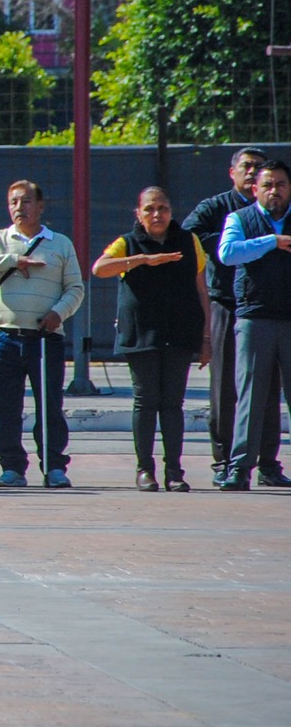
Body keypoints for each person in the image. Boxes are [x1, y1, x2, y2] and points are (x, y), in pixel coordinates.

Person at [0, 180, 85, 489]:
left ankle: (54, 467)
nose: (20, 207)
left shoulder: (59, 243)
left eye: (27, 201)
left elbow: (75, 288)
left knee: (50, 406)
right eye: (13, 202)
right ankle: (12, 468)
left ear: (41, 206)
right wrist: (13, 260)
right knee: (5, 407)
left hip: (45, 339)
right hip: (3, 338)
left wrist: (58, 312)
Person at [94, 187, 207, 492]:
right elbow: (99, 268)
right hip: (141, 335)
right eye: (150, 209)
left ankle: (175, 471)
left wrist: (206, 336)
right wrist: (141, 259)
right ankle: (145, 469)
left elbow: (201, 289)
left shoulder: (189, 241)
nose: (157, 215)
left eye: (163, 208)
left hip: (179, 335)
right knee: (145, 403)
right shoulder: (127, 243)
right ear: (139, 213)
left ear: (171, 211)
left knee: (173, 404)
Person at [184, 147, 274, 486]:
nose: (253, 173)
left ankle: (268, 463)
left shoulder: (273, 209)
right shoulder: (217, 207)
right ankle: (224, 462)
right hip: (226, 302)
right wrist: (226, 247)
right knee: (225, 387)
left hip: (266, 308)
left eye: (259, 167)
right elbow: (189, 234)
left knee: (266, 388)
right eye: (247, 166)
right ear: (232, 172)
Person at [212, 159, 291, 491]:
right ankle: (240, 467)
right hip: (254, 318)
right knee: (250, 396)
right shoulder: (239, 219)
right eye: (268, 185)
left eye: (281, 185)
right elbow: (227, 253)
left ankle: (270, 467)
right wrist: (271, 241)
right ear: (255, 189)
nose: (274, 191)